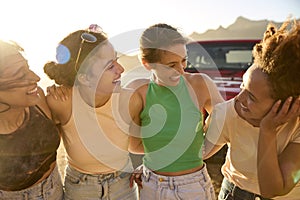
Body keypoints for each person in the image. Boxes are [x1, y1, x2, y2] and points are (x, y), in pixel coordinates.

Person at [204, 19, 300, 199]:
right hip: (234, 193)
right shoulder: (228, 112)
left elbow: (272, 189)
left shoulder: (297, 125)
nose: (239, 99)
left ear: (286, 103)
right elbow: (198, 154)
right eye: (242, 88)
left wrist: (268, 130)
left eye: (252, 97)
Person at [127, 23, 224, 200]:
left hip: (193, 187)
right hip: (150, 186)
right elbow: (133, 145)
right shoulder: (138, 91)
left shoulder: (201, 84)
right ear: (147, 64)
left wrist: (200, 152)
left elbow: (226, 125)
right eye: (171, 64)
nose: (181, 69)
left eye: (184, 60)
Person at [43, 24, 139, 199]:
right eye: (110, 66)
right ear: (84, 78)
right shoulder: (62, 103)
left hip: (124, 185)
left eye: (117, 60)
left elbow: (140, 143)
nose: (121, 69)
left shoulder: (129, 100)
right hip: (81, 188)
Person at [0, 40, 63, 199]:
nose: (35, 78)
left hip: (55, 189)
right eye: (20, 74)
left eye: (28, 68)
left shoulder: (38, 98)